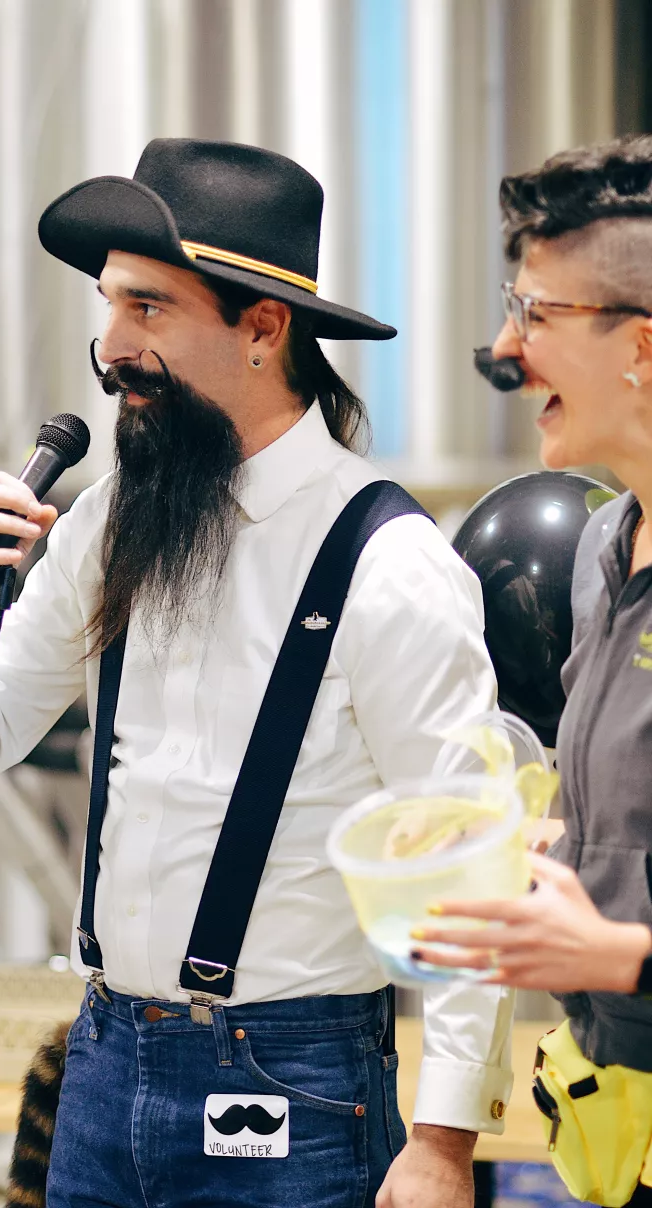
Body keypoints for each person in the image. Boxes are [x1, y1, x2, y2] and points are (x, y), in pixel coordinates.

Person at [0, 139, 513, 1208]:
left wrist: (444, 1141)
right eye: (108, 306)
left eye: (148, 310)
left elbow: (468, 863)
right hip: (99, 1065)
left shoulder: (389, 561)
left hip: (295, 1084)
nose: (108, 347)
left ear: (262, 327)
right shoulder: (107, 522)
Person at [408, 135, 652, 1206]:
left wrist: (615, 954)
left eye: (535, 317)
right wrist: (568, 849)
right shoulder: (605, 555)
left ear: (639, 348)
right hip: (612, 1129)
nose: (504, 350)